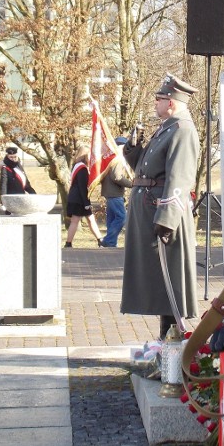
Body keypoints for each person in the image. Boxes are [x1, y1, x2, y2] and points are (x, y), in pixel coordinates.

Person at [121, 74, 200, 339]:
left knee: (169, 282)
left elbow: (179, 177)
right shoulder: (167, 127)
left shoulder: (182, 129)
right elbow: (145, 169)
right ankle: (165, 341)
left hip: (163, 213)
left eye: (160, 99)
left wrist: (167, 218)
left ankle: (173, 342)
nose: (155, 103)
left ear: (173, 102)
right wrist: (133, 149)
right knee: (157, 281)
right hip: (150, 210)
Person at [64, 144, 104, 248]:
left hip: (76, 198)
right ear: (85, 155)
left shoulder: (76, 166)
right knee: (76, 221)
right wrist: (86, 203)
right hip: (79, 199)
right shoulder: (82, 168)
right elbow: (82, 187)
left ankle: (100, 240)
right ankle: (68, 243)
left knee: (89, 219)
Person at [100, 136, 133, 248]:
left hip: (110, 193)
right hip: (115, 193)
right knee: (121, 217)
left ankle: (110, 243)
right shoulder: (117, 159)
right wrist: (132, 184)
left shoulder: (109, 158)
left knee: (112, 219)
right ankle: (109, 241)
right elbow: (117, 177)